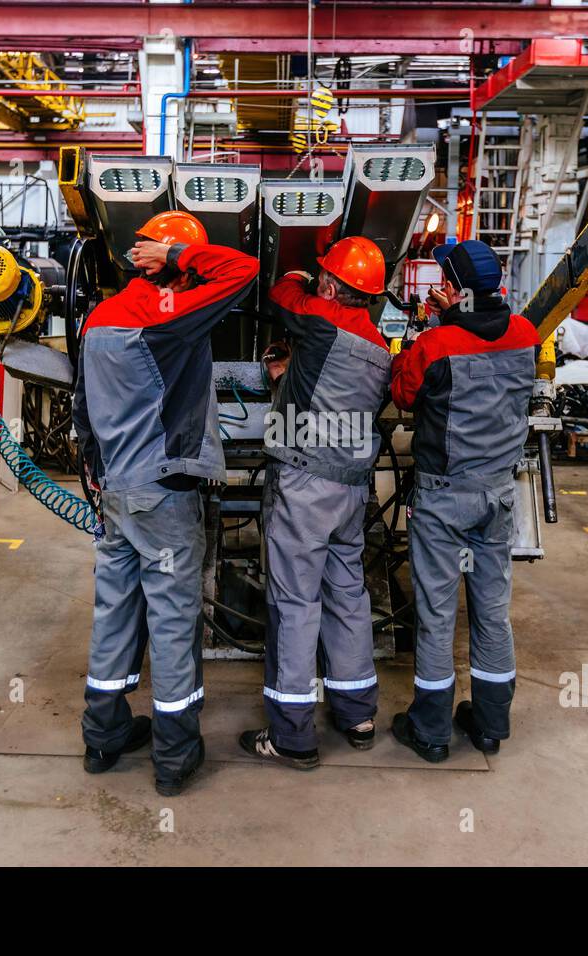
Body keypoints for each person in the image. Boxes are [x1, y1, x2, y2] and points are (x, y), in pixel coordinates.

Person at [73, 210, 259, 796]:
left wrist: (97, 473)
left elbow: (82, 409)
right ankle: (175, 754)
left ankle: (103, 736)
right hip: (164, 493)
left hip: (116, 494)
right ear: (173, 268)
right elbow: (244, 269)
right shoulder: (164, 318)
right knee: (174, 619)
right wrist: (182, 258)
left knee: (113, 612)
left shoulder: (100, 318)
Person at [239, 236, 392, 769]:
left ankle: (292, 734)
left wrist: (302, 275)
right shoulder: (377, 347)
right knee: (347, 593)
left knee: (294, 603)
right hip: (350, 489)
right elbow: (330, 395)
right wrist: (290, 377)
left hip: (304, 487)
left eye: (325, 279)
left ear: (332, 285)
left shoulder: (322, 317)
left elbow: (279, 294)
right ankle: (357, 713)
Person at [388, 239, 538, 763]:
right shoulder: (526, 333)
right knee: (492, 611)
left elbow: (405, 394)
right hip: (497, 494)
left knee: (435, 610)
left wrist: (434, 327)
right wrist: (449, 317)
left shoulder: (437, 344)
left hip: (444, 496)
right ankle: (492, 724)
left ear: (451, 286)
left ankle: (430, 731)